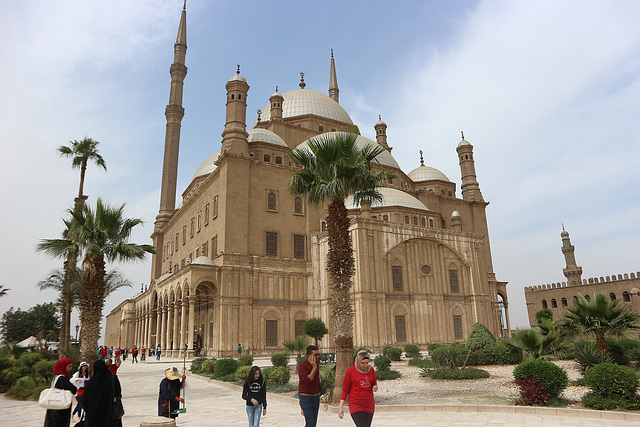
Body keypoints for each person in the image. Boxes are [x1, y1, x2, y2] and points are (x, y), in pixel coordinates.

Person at [338, 350, 378, 427]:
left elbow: (374, 383)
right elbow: (345, 389)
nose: (365, 365)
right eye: (363, 363)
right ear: (358, 361)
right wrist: (341, 407)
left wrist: (375, 387)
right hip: (356, 404)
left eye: (367, 362)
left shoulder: (371, 370)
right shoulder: (350, 371)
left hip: (369, 404)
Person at [83, 359, 120, 427]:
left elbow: (85, 399)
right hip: (110, 413)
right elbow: (118, 393)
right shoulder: (113, 378)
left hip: (93, 415)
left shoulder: (90, 383)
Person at [298, 345, 328, 427]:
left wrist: (321, 394)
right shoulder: (302, 366)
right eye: (315, 355)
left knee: (313, 423)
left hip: (315, 397)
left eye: (318, 354)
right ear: (309, 355)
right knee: (310, 423)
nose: (317, 357)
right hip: (306, 397)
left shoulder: (316, 365)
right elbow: (307, 381)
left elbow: (316, 381)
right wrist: (314, 368)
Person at [43, 357, 77, 427]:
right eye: (69, 366)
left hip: (54, 407)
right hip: (59, 410)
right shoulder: (61, 378)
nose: (71, 368)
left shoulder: (56, 376)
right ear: (63, 366)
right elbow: (73, 389)